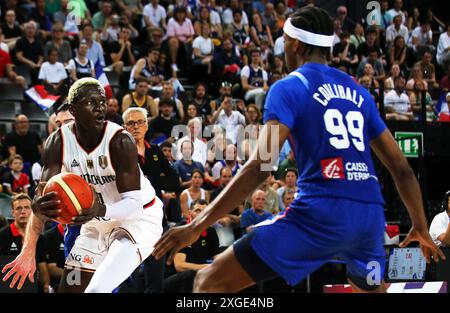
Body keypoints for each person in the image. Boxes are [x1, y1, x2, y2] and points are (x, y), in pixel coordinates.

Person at [152, 6, 444, 293]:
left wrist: (197, 225)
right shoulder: (359, 92)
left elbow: (260, 166)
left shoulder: (289, 87)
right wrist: (419, 224)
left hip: (318, 215)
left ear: (295, 44)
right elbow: (402, 169)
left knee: (207, 282)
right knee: (370, 290)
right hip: (367, 218)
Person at [2, 78, 164, 293]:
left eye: (102, 102)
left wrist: (100, 209)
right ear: (73, 109)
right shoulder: (57, 142)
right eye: (90, 102)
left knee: (96, 290)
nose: (99, 108)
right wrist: (28, 251)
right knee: (70, 289)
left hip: (139, 220)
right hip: (95, 221)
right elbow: (41, 203)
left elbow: (133, 207)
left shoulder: (119, 140)